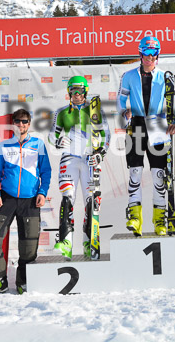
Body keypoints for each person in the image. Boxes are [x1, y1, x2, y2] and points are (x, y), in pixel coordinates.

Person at [0, 109, 52, 294]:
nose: (21, 124)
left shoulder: (38, 144)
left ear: (29, 123)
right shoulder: (4, 145)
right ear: (13, 124)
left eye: (24, 121)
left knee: (29, 244)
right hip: (6, 198)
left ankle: (23, 281)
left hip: (30, 200)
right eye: (18, 121)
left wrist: (42, 192)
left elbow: (46, 171)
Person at [117, 36, 175, 237]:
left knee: (159, 176)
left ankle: (160, 220)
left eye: (153, 53)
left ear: (158, 55)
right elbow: (120, 99)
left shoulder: (166, 76)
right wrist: (124, 112)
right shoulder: (128, 76)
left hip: (158, 126)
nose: (149, 57)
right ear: (140, 53)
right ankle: (135, 218)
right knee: (135, 173)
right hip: (136, 125)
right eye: (146, 53)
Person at [48, 76, 110, 260]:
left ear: (86, 91)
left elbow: (106, 135)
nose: (77, 94)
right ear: (69, 92)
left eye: (80, 90)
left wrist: (100, 153)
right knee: (67, 197)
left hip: (90, 159)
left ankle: (88, 241)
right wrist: (58, 140)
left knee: (92, 201)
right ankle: (66, 241)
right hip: (69, 159)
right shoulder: (61, 112)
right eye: (73, 91)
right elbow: (51, 135)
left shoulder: (95, 110)